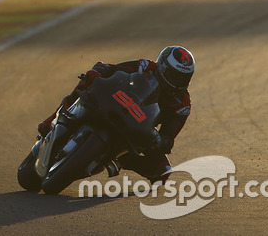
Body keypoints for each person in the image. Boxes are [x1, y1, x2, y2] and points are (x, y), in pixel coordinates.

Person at [37, 46, 194, 183]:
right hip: (114, 104)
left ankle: (120, 158)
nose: (178, 81)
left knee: (162, 171)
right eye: (174, 75)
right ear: (162, 67)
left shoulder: (182, 104)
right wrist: (99, 72)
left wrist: (161, 142)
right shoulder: (144, 67)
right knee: (87, 80)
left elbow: (168, 136)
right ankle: (54, 118)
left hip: (138, 128)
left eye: (183, 78)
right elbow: (112, 69)